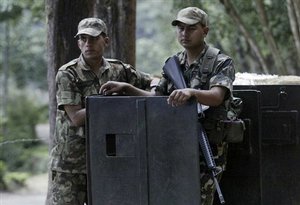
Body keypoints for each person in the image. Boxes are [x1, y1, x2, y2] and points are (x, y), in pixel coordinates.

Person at [100, 7, 236, 205]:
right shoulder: (173, 63)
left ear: (205, 31)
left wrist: (192, 93)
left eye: (191, 28)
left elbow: (217, 96)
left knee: (200, 199)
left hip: (207, 145)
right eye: (180, 28)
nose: (184, 33)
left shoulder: (220, 62)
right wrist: (127, 88)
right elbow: (157, 98)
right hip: (174, 144)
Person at [48, 17, 155, 205]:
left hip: (108, 161)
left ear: (106, 40)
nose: (88, 44)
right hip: (72, 164)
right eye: (83, 39)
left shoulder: (118, 69)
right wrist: (115, 102)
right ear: (78, 42)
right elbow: (76, 118)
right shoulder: (68, 73)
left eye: (93, 38)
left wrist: (132, 89)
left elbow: (155, 82)